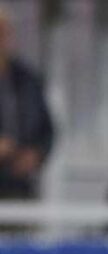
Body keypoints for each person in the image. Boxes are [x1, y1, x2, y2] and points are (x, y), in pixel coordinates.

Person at [0, 8, 54, 199]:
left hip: (21, 185)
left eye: (4, 33)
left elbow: (47, 129)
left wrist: (36, 154)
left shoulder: (28, 79)